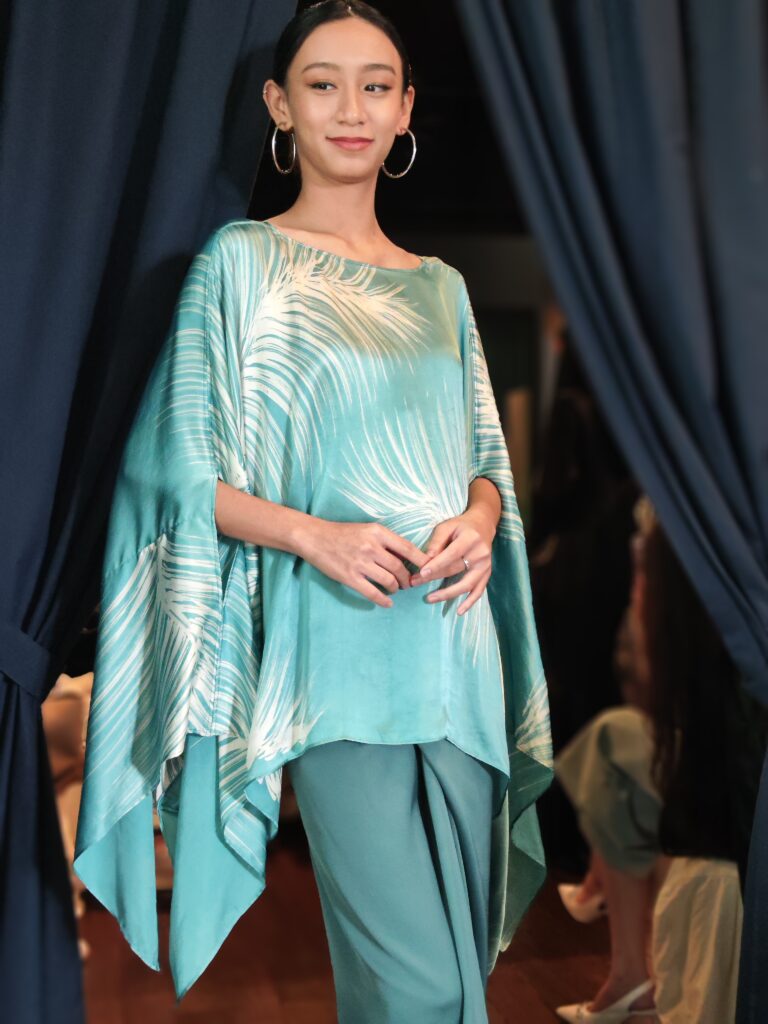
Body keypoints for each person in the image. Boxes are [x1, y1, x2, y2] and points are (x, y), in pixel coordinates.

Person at [72, 2, 554, 1019]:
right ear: (279, 105)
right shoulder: (242, 265)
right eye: (323, 85)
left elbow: (483, 466)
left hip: (458, 651)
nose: (351, 109)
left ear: (406, 108)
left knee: (459, 976)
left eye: (375, 86)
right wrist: (314, 535)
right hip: (337, 658)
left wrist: (479, 520)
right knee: (416, 988)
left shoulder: (443, 290)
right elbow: (170, 480)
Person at [553, 500, 767, 1023]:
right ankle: (625, 966)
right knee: (612, 744)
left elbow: (658, 682)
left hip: (729, 811)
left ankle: (625, 963)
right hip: (722, 783)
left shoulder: (699, 548)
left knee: (611, 750)